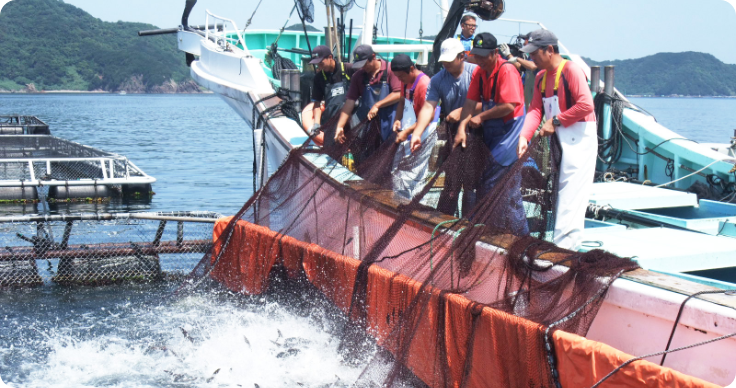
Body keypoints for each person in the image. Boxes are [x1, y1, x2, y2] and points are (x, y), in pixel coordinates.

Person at [517, 29, 597, 250]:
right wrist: (524, 136)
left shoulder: (570, 70)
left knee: (571, 198)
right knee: (560, 197)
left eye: (534, 53)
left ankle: (563, 253)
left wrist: (557, 121)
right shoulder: (541, 77)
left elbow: (586, 105)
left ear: (550, 50)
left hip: (579, 142)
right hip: (561, 143)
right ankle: (561, 248)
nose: (531, 58)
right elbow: (535, 110)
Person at [454, 32, 528, 235]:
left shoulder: (507, 71)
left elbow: (508, 106)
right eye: (476, 56)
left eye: (483, 56)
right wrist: (462, 128)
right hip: (492, 134)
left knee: (498, 185)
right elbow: (469, 103)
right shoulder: (480, 72)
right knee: (490, 184)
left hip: (509, 133)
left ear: (495, 53)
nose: (479, 60)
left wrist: (481, 117)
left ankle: (519, 237)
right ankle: (494, 230)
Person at [409, 38, 478, 215]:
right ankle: (448, 218)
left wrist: (462, 112)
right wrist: (417, 133)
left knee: (472, 182)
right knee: (452, 180)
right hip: (453, 132)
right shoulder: (438, 79)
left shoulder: (475, 73)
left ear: (462, 56)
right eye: (444, 60)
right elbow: (428, 107)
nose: (446, 64)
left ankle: (471, 222)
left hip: (478, 133)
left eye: (450, 60)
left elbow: (487, 103)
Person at [334, 45, 402, 146]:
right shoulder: (357, 76)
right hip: (369, 128)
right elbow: (350, 101)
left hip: (390, 124)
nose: (363, 67)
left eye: (365, 64)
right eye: (360, 65)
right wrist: (340, 126)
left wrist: (377, 105)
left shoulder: (390, 70)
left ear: (373, 56)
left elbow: (399, 94)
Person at [301, 45, 354, 147]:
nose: (319, 67)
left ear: (330, 57)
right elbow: (317, 103)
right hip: (332, 120)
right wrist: (316, 124)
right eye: (317, 64)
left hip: (351, 118)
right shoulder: (319, 78)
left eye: (321, 63)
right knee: (331, 149)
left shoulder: (349, 69)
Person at [390, 54, 431, 143]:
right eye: (397, 77)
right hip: (408, 129)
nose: (399, 79)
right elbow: (402, 101)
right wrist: (397, 119)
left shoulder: (424, 85)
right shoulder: (405, 80)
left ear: (411, 69)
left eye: (401, 76)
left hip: (423, 133)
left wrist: (407, 132)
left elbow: (429, 116)